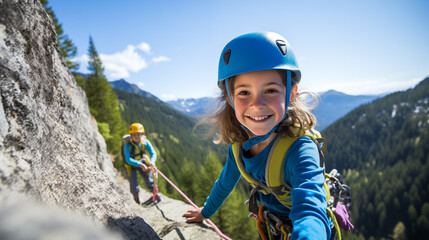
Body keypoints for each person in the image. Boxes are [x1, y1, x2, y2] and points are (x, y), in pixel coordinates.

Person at [183, 32, 331, 239]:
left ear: (291, 93)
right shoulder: (239, 146)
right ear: (230, 99)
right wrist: (205, 212)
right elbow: (225, 183)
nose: (257, 104)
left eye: (270, 90)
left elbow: (311, 208)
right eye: (244, 92)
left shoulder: (300, 149)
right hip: (274, 225)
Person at [123, 123, 161, 204]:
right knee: (134, 184)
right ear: (131, 135)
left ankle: (156, 196)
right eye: (134, 135)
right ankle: (137, 201)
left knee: (149, 180)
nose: (137, 137)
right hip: (131, 165)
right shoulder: (127, 145)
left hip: (142, 163)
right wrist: (139, 164)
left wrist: (152, 162)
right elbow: (128, 159)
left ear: (142, 134)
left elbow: (153, 153)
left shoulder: (145, 142)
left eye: (138, 134)